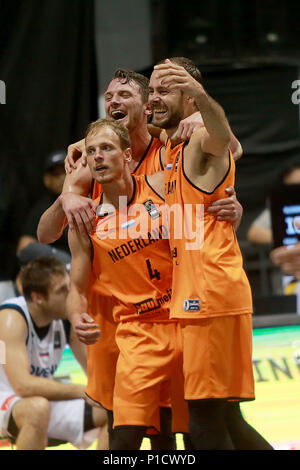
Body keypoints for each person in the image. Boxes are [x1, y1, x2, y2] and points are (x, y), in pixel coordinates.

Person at [37, 69, 243, 449]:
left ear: (146, 106)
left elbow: (225, 151)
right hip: (119, 315)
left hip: (179, 311)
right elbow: (47, 234)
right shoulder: (87, 162)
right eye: (108, 96)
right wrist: (66, 198)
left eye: (124, 96)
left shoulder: (167, 150)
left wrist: (225, 202)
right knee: (130, 425)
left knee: (206, 422)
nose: (114, 101)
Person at [148, 57, 273, 450]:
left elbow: (222, 140)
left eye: (165, 90)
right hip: (195, 297)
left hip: (209, 296)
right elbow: (234, 146)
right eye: (151, 91)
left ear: (189, 98)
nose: (154, 99)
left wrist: (203, 103)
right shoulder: (169, 146)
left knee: (201, 419)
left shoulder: (200, 138)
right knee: (225, 417)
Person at [66, 118, 189, 450]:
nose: (98, 157)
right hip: (138, 332)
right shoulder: (85, 219)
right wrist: (77, 317)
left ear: (128, 156)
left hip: (185, 324)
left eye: (106, 148)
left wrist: (230, 206)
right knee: (124, 440)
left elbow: (224, 156)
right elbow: (76, 288)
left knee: (187, 436)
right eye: (91, 151)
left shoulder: (163, 186)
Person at [0, 256, 108, 450]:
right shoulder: (11, 318)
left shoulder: (66, 319)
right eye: (62, 291)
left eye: (69, 288)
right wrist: (83, 392)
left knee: (114, 408)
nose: (70, 296)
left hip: (39, 401)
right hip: (7, 396)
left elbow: (94, 374)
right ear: (37, 297)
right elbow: (22, 386)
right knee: (37, 409)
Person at [17, 150, 69, 255]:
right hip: (55, 266)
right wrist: (60, 259)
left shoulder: (88, 200)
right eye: (56, 174)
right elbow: (23, 249)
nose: (62, 178)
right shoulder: (40, 209)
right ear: (47, 179)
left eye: (65, 171)